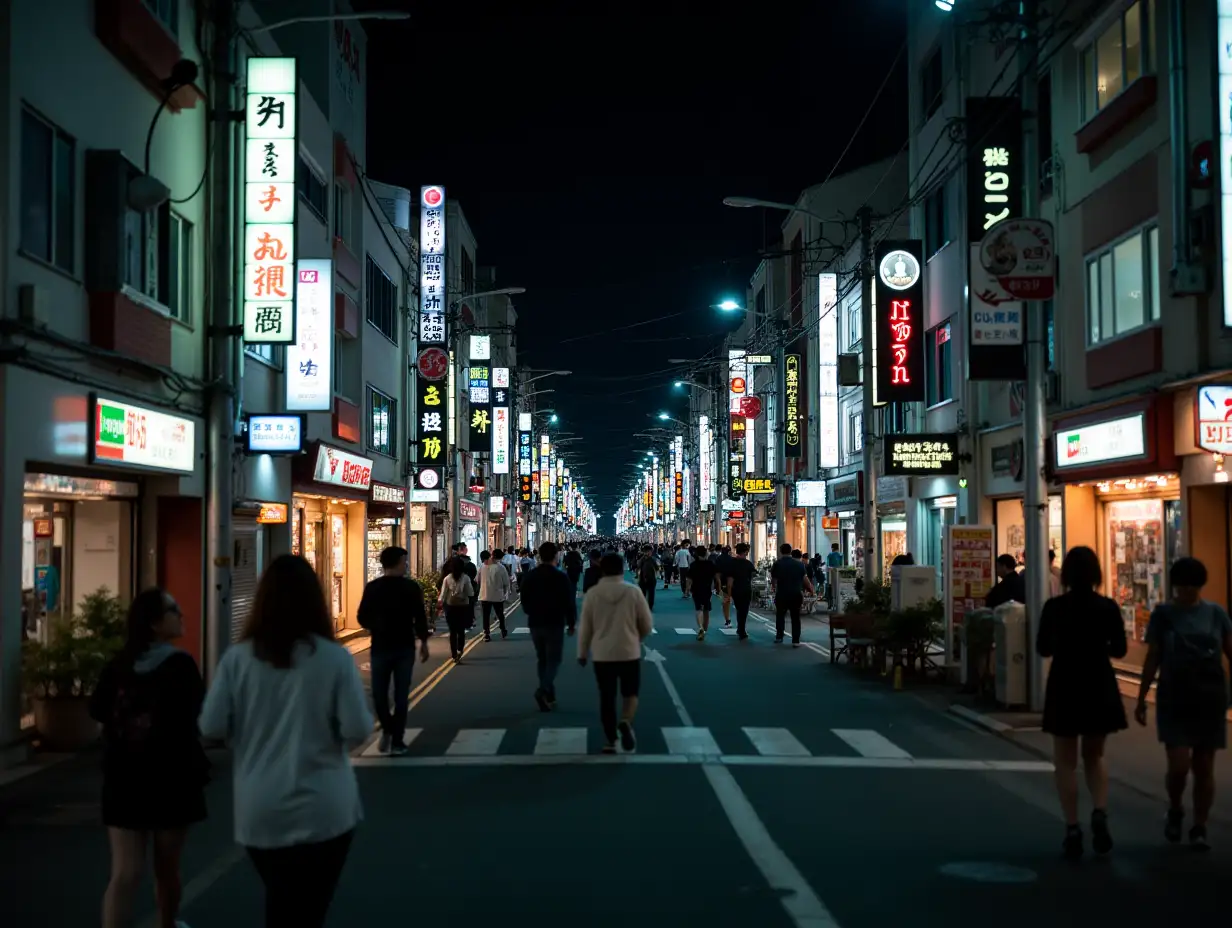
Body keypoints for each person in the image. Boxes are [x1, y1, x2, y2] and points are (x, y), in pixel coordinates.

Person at [199, 555, 371, 928]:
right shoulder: (333, 658)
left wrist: (245, 736)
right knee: (311, 908)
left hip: (261, 805)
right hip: (326, 803)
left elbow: (210, 726)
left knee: (280, 899)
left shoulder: (238, 659)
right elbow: (358, 729)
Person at [90, 588, 207, 928]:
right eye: (173, 610)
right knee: (166, 867)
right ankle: (167, 924)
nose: (181, 614)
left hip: (123, 778)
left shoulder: (119, 665)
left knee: (125, 873)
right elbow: (199, 716)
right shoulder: (180, 666)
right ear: (155, 623)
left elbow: (97, 708)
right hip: (173, 777)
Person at [1035, 546, 1128, 860]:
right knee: (1095, 754)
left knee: (1064, 760)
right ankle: (1099, 811)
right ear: (1096, 574)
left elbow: (1043, 649)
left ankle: (1072, 827)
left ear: (1068, 575)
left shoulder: (1054, 608)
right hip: (1099, 683)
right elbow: (1120, 650)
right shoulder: (1107, 607)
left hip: (1065, 684)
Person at [1136, 557, 1232, 850]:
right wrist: (1141, 697)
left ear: (1199, 586)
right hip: (1174, 697)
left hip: (1210, 698)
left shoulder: (1216, 614)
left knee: (1204, 765)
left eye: (1190, 586)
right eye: (1180, 586)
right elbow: (1153, 655)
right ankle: (1176, 806)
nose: (1185, 592)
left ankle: (1199, 826)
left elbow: (1230, 651)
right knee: (1178, 765)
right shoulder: (1163, 614)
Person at [356, 546, 430, 755]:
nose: (406, 565)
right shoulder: (374, 588)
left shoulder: (410, 587)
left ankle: (397, 739)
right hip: (382, 646)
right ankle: (389, 729)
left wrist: (423, 642)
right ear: (396, 563)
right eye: (404, 561)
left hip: (403, 648)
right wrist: (379, 626)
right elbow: (362, 616)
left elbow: (420, 616)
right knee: (379, 695)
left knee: (400, 695)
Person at [578, 553, 654, 754]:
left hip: (603, 654)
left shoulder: (593, 594)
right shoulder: (633, 592)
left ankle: (610, 740)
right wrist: (635, 638)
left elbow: (585, 627)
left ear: (602, 569)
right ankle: (626, 721)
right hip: (629, 651)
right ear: (622, 569)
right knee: (630, 693)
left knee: (607, 696)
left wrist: (582, 652)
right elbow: (646, 624)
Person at [519, 542, 578, 711]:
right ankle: (543, 689)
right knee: (554, 659)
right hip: (554, 622)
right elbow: (569, 602)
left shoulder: (531, 576)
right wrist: (571, 622)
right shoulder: (560, 577)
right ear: (555, 556)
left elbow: (524, 599)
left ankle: (549, 696)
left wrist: (530, 612)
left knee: (542, 658)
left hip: (536, 622)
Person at [770, 544, 813, 647]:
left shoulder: (777, 564)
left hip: (782, 594)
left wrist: (774, 588)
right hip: (796, 594)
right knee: (795, 617)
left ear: (780, 551)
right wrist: (811, 590)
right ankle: (795, 640)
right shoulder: (799, 565)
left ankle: (779, 636)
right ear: (790, 551)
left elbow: (774, 580)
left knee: (780, 615)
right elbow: (805, 580)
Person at [437, 558, 476, 662]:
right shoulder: (466, 578)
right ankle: (460, 650)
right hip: (463, 607)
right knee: (461, 630)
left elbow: (443, 594)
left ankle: (454, 654)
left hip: (450, 607)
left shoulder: (447, 578)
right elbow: (471, 593)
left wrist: (440, 604)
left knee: (452, 631)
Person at [479, 547, 512, 641]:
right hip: (497, 595)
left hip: (484, 595)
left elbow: (477, 579)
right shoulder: (501, 567)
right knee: (500, 614)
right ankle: (503, 630)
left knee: (486, 615)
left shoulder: (482, 566)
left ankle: (486, 634)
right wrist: (507, 593)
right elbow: (506, 582)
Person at [688, 545, 721, 641]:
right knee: (706, 610)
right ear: (706, 553)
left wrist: (687, 589)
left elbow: (689, 579)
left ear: (697, 555)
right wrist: (718, 588)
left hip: (696, 589)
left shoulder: (693, 565)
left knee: (698, 609)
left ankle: (700, 628)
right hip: (707, 589)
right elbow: (717, 578)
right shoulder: (711, 564)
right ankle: (705, 629)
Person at [726, 543, 756, 640]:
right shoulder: (749, 564)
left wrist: (729, 595)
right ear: (746, 552)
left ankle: (741, 629)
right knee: (744, 610)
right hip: (746, 589)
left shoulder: (731, 563)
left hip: (736, 590)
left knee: (739, 609)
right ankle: (741, 629)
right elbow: (752, 577)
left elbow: (730, 582)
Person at [716, 545, 735, 628]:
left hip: (723, 582)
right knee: (731, 602)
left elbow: (717, 575)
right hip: (733, 582)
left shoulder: (718, 559)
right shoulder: (732, 560)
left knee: (726, 602)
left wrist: (719, 587)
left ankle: (727, 620)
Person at [636, 545, 659, 610]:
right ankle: (643, 607)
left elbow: (657, 568)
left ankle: (650, 606)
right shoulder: (641, 559)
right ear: (644, 552)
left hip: (651, 579)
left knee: (651, 594)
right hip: (642, 579)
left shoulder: (653, 559)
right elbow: (638, 568)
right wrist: (638, 577)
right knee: (643, 594)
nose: (648, 553)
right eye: (647, 551)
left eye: (650, 551)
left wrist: (657, 574)